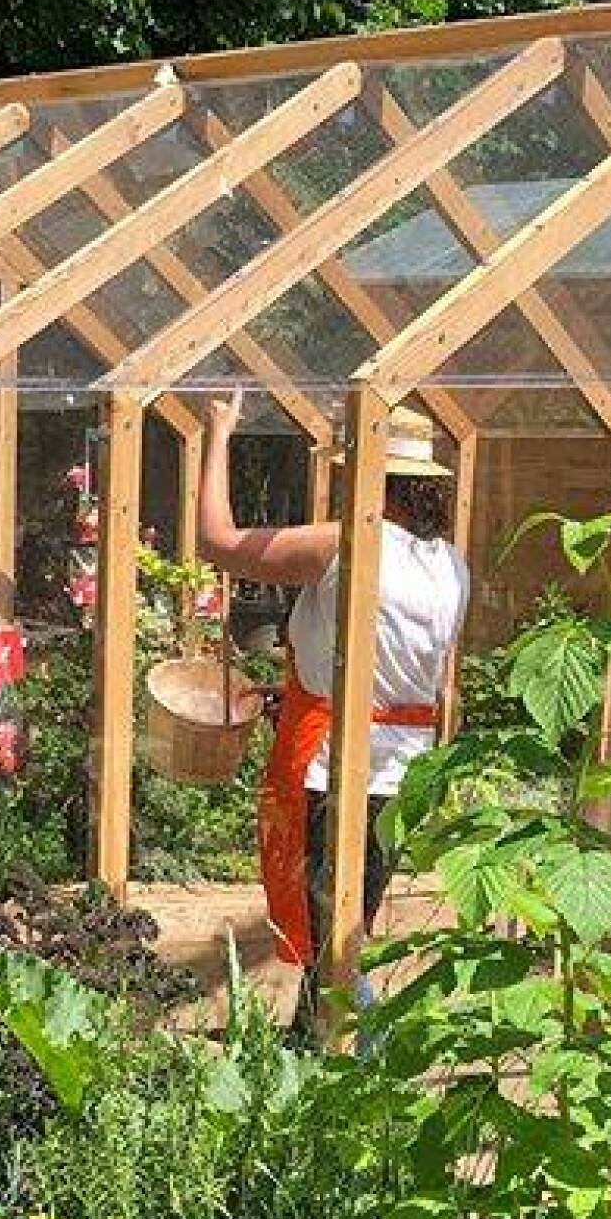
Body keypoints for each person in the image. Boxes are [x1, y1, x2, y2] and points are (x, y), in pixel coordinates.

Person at [196, 390, 468, 1025]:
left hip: (333, 765)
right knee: (348, 922)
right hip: (405, 770)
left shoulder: (344, 545)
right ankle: (316, 1047)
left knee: (329, 941)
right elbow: (390, 670)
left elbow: (217, 541)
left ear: (371, 477)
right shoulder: (450, 564)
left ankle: (353, 1051)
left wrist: (219, 433)